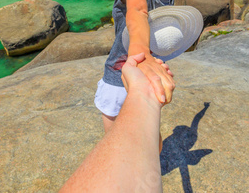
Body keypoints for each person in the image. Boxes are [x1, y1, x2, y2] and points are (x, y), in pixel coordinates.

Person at [94, 0, 198, 135]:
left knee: (114, 136)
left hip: (123, 71)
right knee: (148, 132)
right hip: (153, 69)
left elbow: (137, 12)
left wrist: (141, 56)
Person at [59, 53, 173, 193]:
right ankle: (144, 163)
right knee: (127, 132)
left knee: (120, 135)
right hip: (114, 84)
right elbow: (138, 40)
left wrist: (142, 90)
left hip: (120, 80)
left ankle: (144, 162)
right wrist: (144, 92)